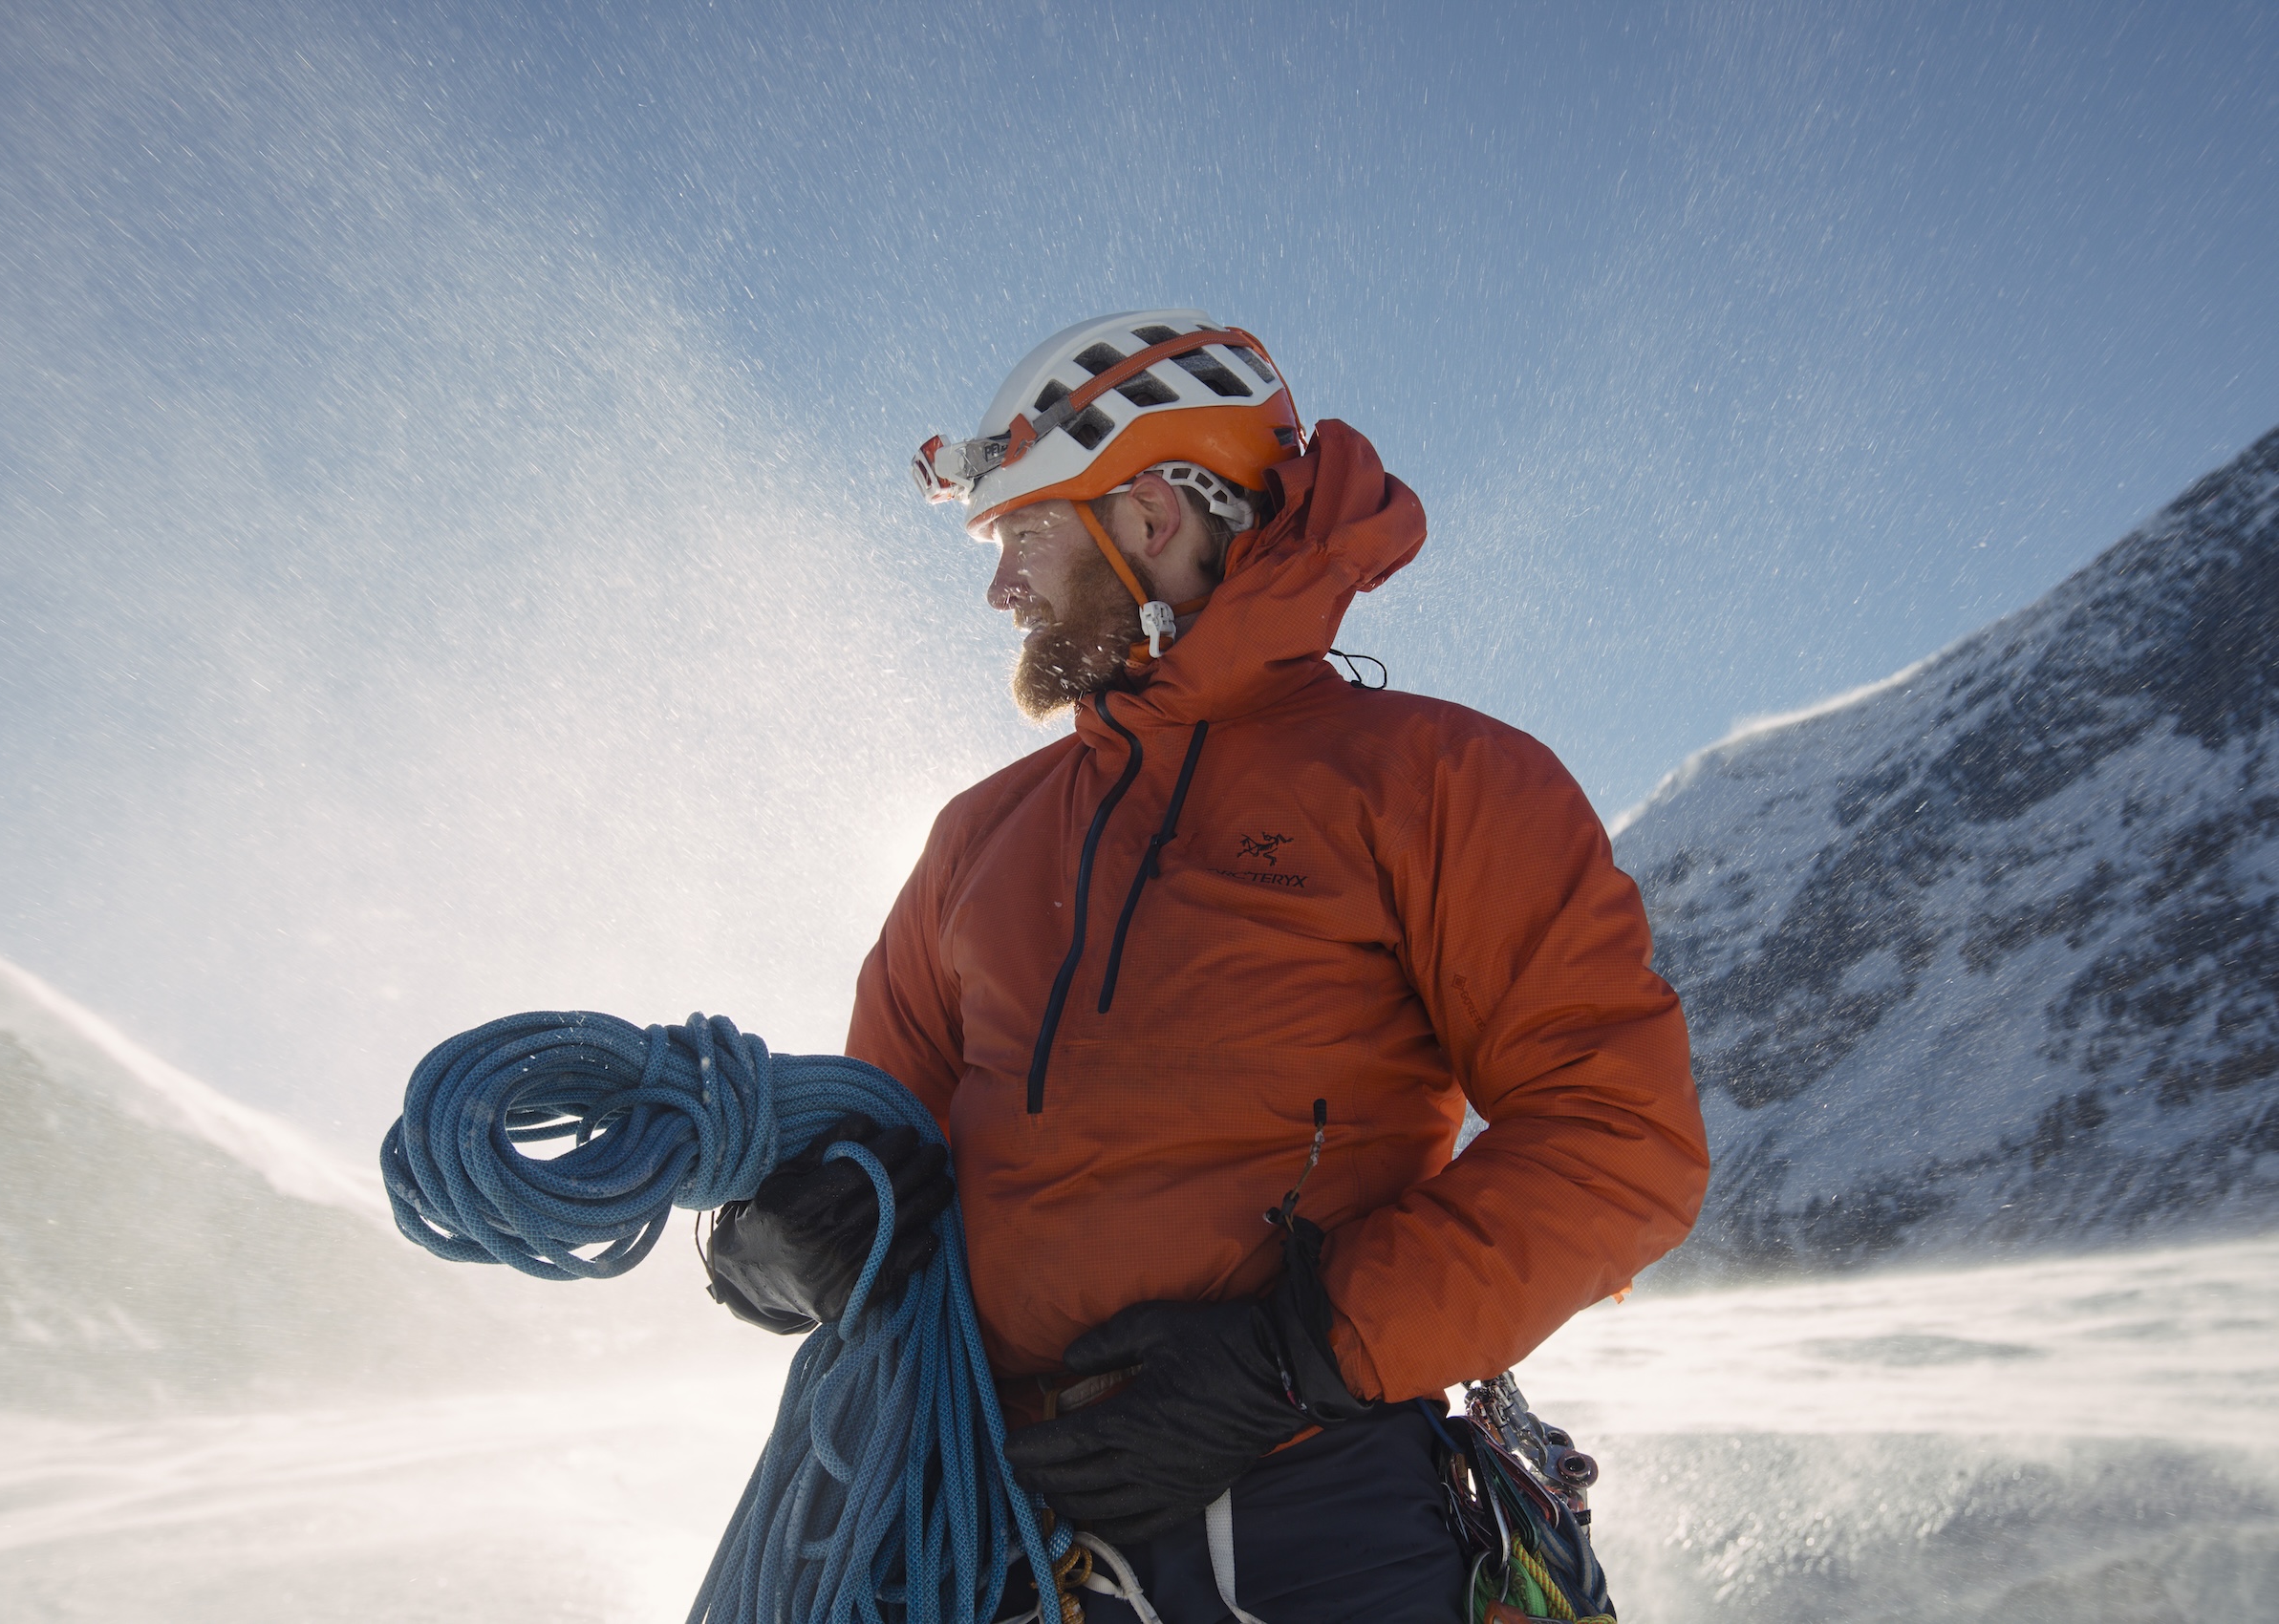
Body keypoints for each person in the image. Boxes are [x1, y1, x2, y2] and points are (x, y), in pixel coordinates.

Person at [708, 310, 1709, 1623]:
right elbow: (872, 1142)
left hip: (1317, 1508)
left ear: (1151, 517)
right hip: (984, 1517)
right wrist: (772, 1247)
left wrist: (1295, 1356)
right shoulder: (976, 841)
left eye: (1024, 533)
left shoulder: (1437, 782)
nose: (999, 590)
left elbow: (1615, 1143)